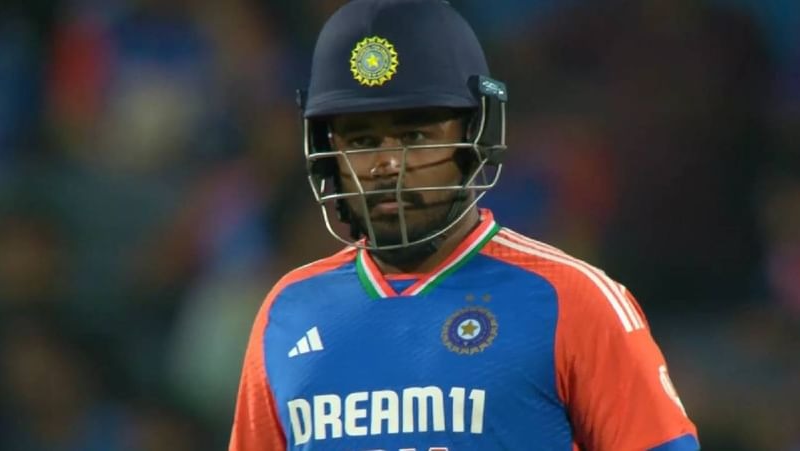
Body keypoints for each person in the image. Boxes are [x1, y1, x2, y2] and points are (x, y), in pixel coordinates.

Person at [229, 0, 700, 450]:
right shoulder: (288, 312)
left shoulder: (573, 301)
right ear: (327, 153)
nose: (387, 164)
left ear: (476, 134)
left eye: (415, 135)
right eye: (362, 140)